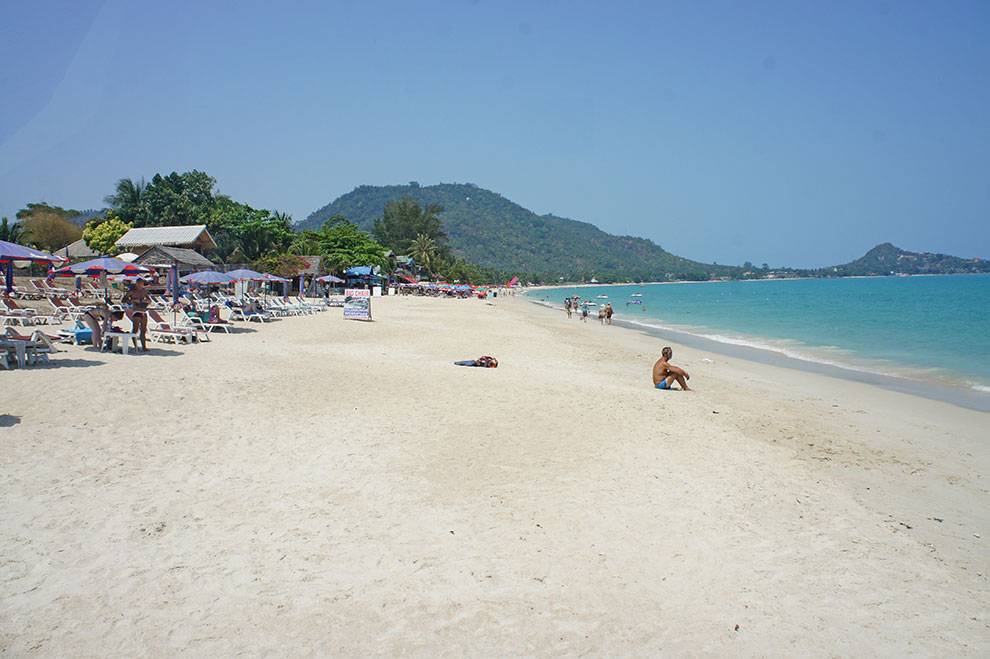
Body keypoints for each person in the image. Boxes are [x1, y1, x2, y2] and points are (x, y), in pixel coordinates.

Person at [121, 279, 152, 351]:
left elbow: (149, 299)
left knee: (143, 330)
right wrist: (133, 300)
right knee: (135, 330)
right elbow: (123, 300)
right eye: (139, 283)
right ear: (136, 283)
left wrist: (147, 301)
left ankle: (144, 347)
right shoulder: (132, 291)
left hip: (143, 311)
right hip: (136, 311)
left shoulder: (144, 291)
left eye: (142, 284)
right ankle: (136, 346)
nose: (140, 285)